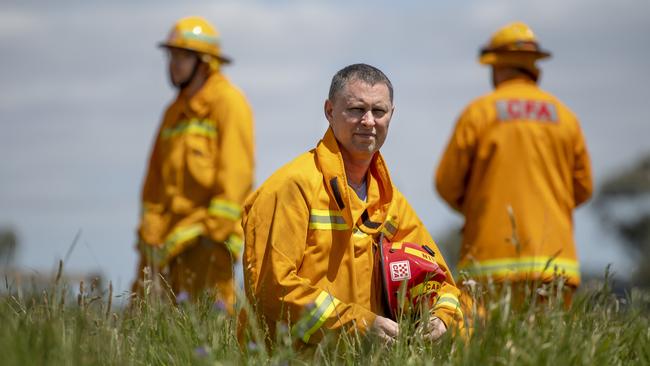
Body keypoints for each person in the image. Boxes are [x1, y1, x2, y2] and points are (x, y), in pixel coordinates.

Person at [242, 64, 463, 345]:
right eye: (357, 110)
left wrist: (440, 317)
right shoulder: (291, 187)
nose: (369, 121)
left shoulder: (389, 201)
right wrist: (358, 325)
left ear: (391, 115)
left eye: (379, 111)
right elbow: (273, 288)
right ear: (330, 111)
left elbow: (440, 281)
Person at [435, 22, 593, 304]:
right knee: (549, 347)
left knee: (487, 347)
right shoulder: (566, 118)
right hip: (556, 266)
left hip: (488, 266)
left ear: (495, 68)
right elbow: (583, 188)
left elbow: (446, 183)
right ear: (536, 69)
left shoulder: (479, 113)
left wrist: (478, 209)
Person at [131, 16, 254, 311]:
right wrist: (150, 229)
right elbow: (154, 179)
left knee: (208, 328)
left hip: (207, 241)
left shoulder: (228, 103)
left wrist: (214, 232)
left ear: (205, 62)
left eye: (182, 56)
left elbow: (236, 175)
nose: (173, 63)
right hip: (164, 243)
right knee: (143, 323)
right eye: (171, 55)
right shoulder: (173, 112)